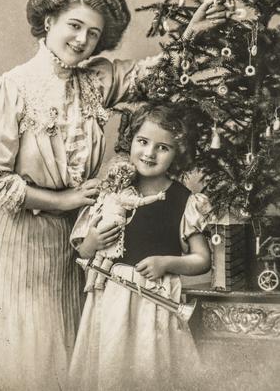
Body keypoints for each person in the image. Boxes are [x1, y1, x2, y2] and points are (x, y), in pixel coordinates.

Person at [0, 0, 224, 391]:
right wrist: (67, 200)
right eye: (74, 26)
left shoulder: (95, 81)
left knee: (72, 352)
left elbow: (153, 73)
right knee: (21, 350)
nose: (82, 40)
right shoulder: (7, 90)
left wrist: (190, 35)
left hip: (75, 241)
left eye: (93, 33)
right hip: (18, 239)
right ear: (48, 21)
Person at [69, 103, 212, 391]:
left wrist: (166, 263)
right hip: (111, 302)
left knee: (151, 370)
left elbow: (202, 260)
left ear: (177, 154)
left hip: (153, 303)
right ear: (130, 141)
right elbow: (83, 253)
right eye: (143, 142)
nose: (149, 153)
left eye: (163, 148)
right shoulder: (113, 190)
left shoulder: (184, 199)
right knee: (111, 370)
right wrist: (93, 242)